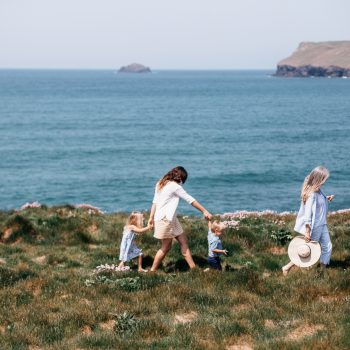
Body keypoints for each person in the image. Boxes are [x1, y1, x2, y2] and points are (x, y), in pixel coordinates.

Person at [148, 166, 213, 271]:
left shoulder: (161, 183)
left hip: (169, 218)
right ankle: (152, 271)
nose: (181, 183)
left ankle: (194, 269)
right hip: (165, 220)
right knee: (166, 247)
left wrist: (151, 217)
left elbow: (155, 201)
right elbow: (190, 199)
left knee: (184, 241)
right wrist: (204, 211)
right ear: (180, 178)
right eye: (182, 181)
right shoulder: (174, 186)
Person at [282, 166, 334, 275]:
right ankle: (287, 267)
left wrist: (326, 198)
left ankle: (322, 270)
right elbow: (308, 214)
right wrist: (307, 231)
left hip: (322, 224)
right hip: (314, 227)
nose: (325, 181)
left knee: (327, 246)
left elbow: (320, 201)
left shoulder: (319, 191)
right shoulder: (311, 195)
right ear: (319, 179)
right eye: (324, 179)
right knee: (307, 250)